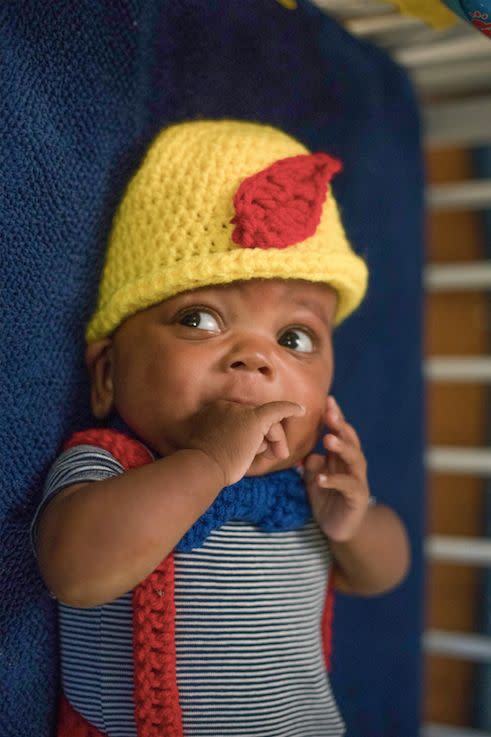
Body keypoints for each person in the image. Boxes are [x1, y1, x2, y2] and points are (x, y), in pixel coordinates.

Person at [32, 119, 410, 737]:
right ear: (107, 376)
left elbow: (386, 571)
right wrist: (207, 463)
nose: (257, 359)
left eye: (294, 338)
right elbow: (73, 571)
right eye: (200, 320)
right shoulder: (111, 469)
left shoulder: (309, 486)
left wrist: (356, 521)